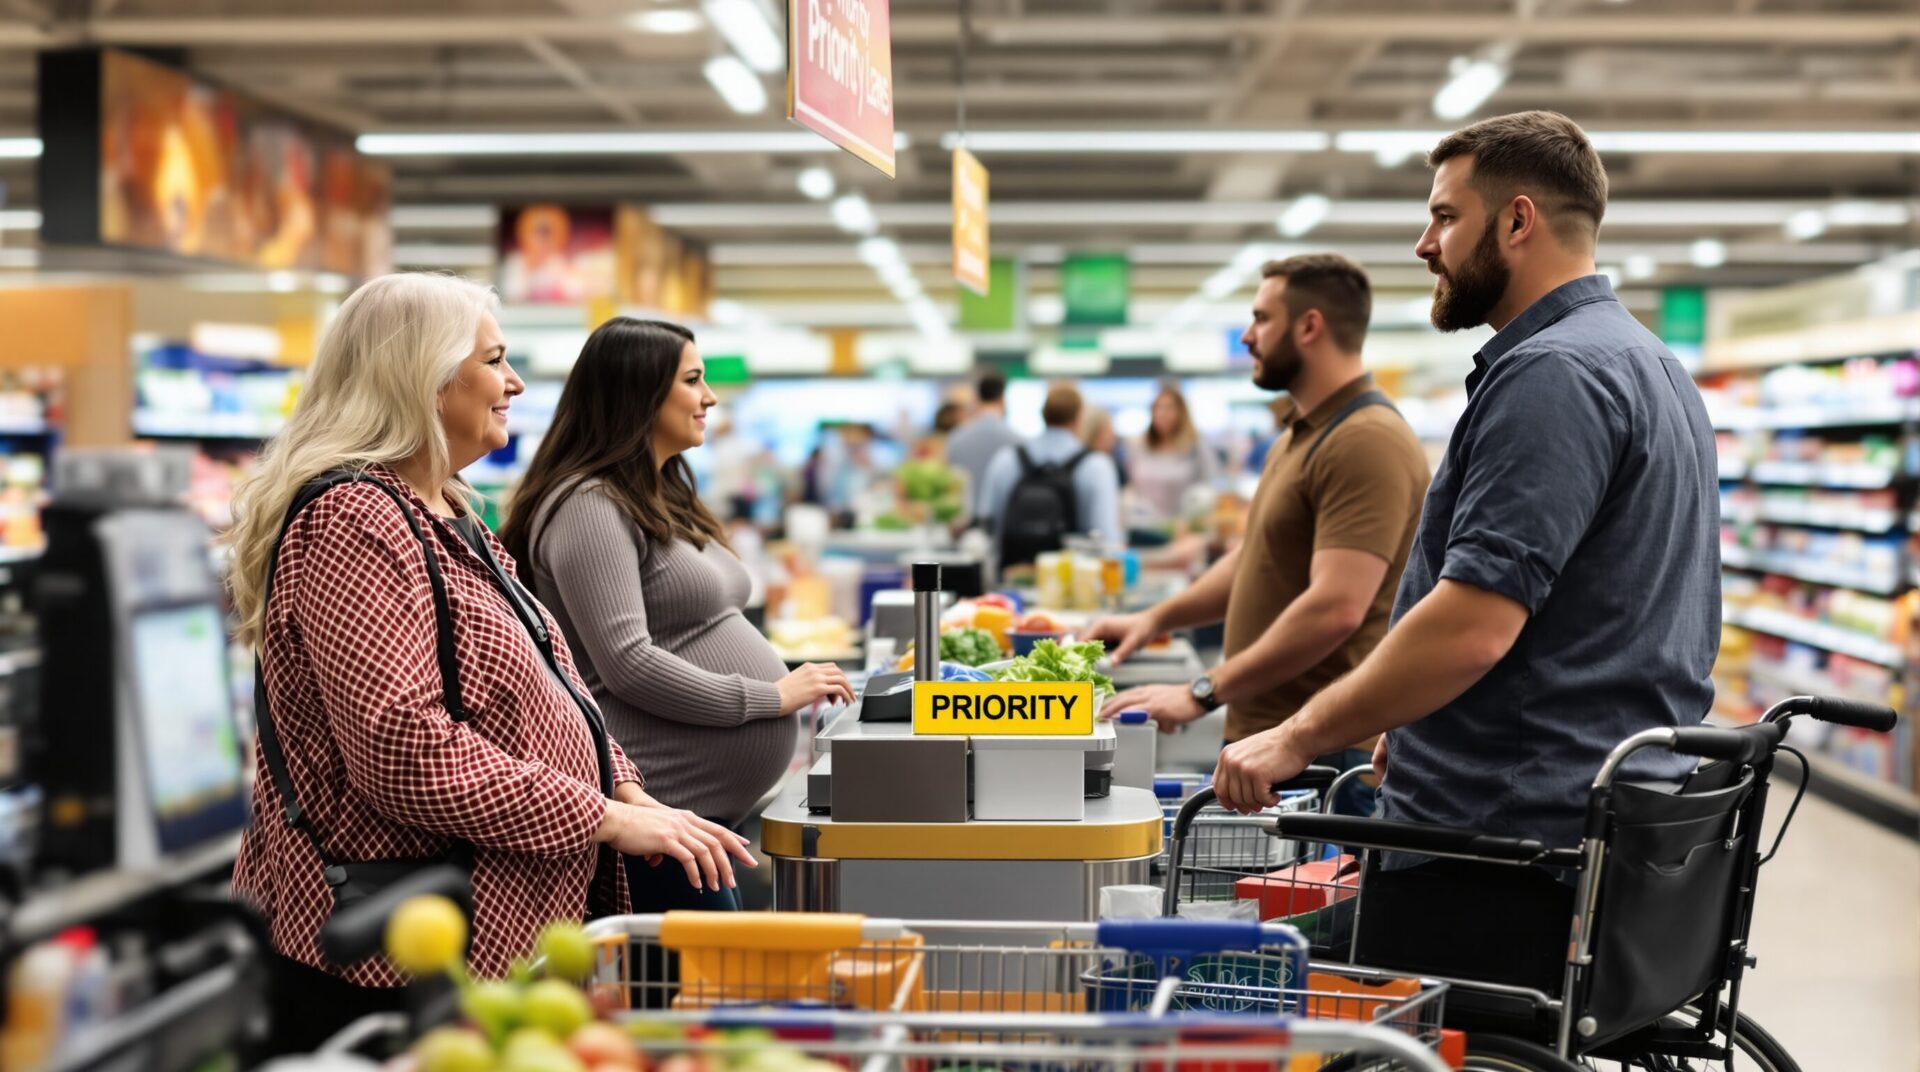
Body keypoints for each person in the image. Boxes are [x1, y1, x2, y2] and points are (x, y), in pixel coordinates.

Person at [1212, 111, 1719, 993]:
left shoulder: (1552, 375)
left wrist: (1297, 733)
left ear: (1518, 221)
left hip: (1503, 851)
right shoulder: (1650, 363)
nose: (1423, 243)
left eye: (1445, 217)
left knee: (1246, 981)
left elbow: (1473, 625)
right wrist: (1410, 723)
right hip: (1596, 825)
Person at [227, 275, 753, 1052]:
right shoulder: (354, 521)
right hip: (397, 952)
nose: (514, 383)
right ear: (423, 376)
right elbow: (403, 752)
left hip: (496, 933)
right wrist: (604, 817)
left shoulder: (448, 508)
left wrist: (631, 791)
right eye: (495, 360)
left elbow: (554, 683)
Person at [500, 318, 855, 912]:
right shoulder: (588, 505)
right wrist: (770, 698)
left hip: (689, 823)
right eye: (693, 380)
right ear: (638, 394)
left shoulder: (660, 493)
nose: (709, 397)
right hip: (652, 822)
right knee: (685, 992)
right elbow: (627, 664)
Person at [1088, 256, 1429, 819]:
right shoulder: (1303, 434)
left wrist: (1202, 691)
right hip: (1271, 744)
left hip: (1327, 755)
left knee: (1313, 904)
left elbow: (1335, 608)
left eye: (1261, 318)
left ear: (1309, 327)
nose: (1247, 336)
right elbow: (1255, 557)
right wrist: (1156, 619)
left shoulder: (1366, 441)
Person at [976, 382, 1124, 565]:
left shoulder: (1006, 460)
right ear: (1079, 418)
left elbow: (987, 524)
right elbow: (1106, 539)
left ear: (1043, 416)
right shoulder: (1096, 466)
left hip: (1012, 578)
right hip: (1072, 582)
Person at [1126, 385, 1215, 521]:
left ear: (1181, 413)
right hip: (1144, 526)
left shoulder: (1196, 446)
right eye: (1157, 408)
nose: (1161, 414)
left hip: (1184, 526)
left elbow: (1210, 483)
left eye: (1168, 408)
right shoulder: (1140, 446)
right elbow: (1132, 487)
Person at [945, 369, 1020, 519]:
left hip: (964, 525)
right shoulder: (1018, 442)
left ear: (977, 397)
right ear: (1002, 397)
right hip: (1003, 523)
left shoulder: (956, 439)